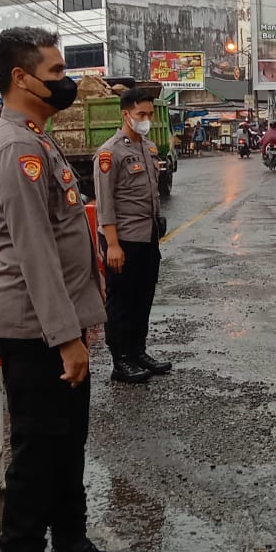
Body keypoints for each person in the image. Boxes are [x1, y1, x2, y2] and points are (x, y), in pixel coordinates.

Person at [0, 28, 133, 552]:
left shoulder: (36, 140)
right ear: (21, 78)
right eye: (56, 72)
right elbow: (34, 252)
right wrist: (67, 337)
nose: (65, 82)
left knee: (68, 446)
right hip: (35, 330)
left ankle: (71, 548)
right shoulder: (15, 150)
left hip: (56, 325)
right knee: (39, 455)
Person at [94, 87, 171, 384]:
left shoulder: (148, 148)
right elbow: (105, 204)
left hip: (147, 236)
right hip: (123, 239)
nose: (146, 119)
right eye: (141, 114)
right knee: (121, 300)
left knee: (143, 296)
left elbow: (153, 193)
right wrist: (112, 244)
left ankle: (138, 351)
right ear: (126, 114)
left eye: (149, 114)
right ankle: (121, 359)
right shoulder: (109, 153)